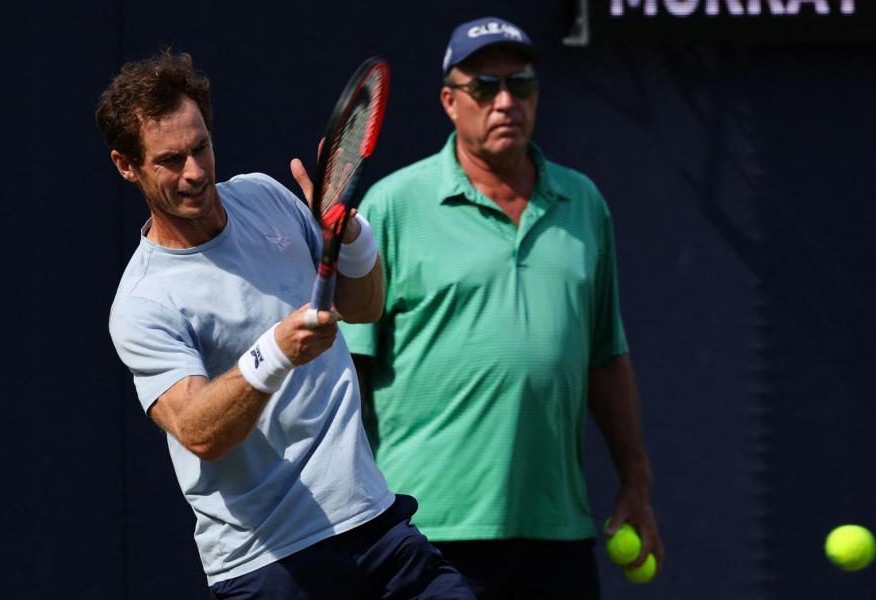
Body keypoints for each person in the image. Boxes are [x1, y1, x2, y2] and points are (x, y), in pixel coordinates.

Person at [98, 50, 474, 598]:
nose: (196, 172)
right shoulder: (143, 301)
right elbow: (198, 431)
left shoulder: (266, 197)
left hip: (375, 528)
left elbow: (365, 304)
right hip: (269, 567)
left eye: (201, 146)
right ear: (126, 165)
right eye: (170, 160)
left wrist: (349, 234)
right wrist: (275, 353)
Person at [338, 17, 664, 598]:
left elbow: (605, 358)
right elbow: (350, 372)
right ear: (450, 101)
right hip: (431, 529)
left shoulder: (583, 203)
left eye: (522, 84)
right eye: (485, 87)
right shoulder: (393, 205)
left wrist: (635, 480)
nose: (506, 101)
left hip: (556, 530)